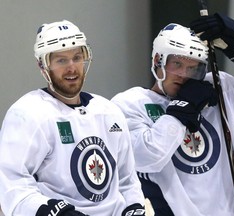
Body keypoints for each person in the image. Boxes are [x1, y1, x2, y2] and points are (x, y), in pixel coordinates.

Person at [111, 13, 234, 216]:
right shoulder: (130, 104)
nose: (184, 75)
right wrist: (179, 113)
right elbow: (146, 158)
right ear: (158, 61)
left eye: (193, 68)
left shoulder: (217, 88)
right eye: (176, 64)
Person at [0, 20, 146, 216]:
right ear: (43, 66)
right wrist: (54, 212)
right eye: (61, 60)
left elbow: (127, 180)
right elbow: (11, 183)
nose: (72, 68)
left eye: (77, 57)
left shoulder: (108, 111)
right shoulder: (28, 113)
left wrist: (134, 208)